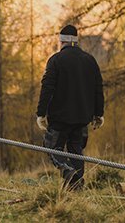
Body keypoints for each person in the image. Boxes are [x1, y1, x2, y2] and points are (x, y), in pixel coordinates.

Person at [36, 25, 105, 190]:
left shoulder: (56, 60)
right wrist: (99, 113)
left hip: (60, 117)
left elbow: (47, 87)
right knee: (76, 150)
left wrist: (41, 113)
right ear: (76, 40)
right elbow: (98, 88)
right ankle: (76, 187)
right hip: (82, 117)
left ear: (61, 41)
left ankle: (67, 171)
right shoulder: (90, 60)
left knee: (52, 147)